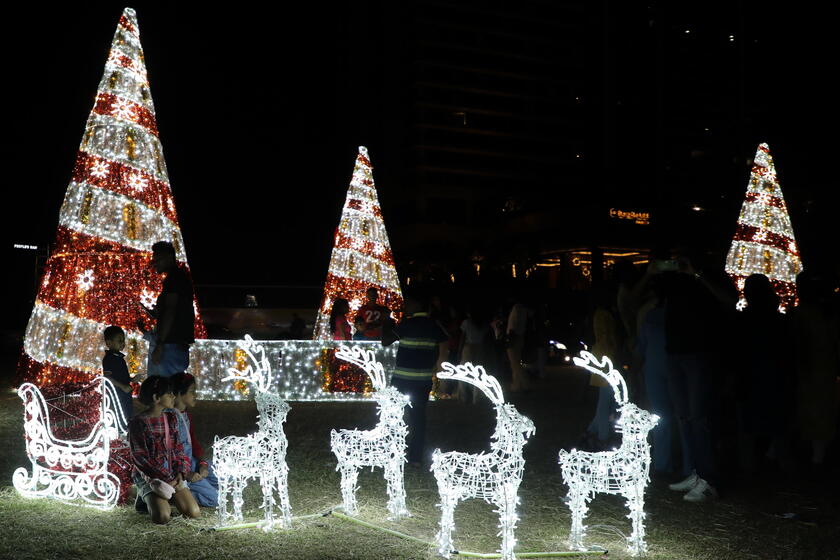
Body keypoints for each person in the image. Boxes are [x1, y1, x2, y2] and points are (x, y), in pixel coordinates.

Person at [733, 274, 793, 474]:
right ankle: (785, 465)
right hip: (775, 377)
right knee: (779, 424)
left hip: (748, 378)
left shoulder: (742, 321)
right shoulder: (780, 320)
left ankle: (747, 467)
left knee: (748, 427)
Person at [382, 293, 449, 466]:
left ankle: (394, 453)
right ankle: (415, 458)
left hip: (402, 379)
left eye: (409, 304)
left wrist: (387, 324)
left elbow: (385, 341)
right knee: (418, 418)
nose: (406, 307)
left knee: (395, 416)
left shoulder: (406, 324)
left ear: (417, 306)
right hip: (423, 380)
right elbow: (445, 342)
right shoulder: (434, 325)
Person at [129, 376, 200, 524]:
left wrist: (181, 471)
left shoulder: (171, 418)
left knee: (193, 512)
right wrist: (166, 478)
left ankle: (164, 497)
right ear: (156, 397)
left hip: (173, 474)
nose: (173, 396)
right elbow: (141, 458)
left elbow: (178, 448)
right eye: (169, 394)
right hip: (152, 477)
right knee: (162, 517)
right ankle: (144, 495)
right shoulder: (139, 423)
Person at [792, 269, 840, 473]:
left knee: (816, 411)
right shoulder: (825, 313)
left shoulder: (806, 314)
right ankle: (817, 455)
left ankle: (816, 457)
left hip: (814, 369)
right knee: (820, 410)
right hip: (821, 369)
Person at [142, 241, 196, 377]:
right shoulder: (179, 277)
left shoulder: (174, 279)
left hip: (170, 345)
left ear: (169, 258)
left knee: (165, 390)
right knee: (173, 389)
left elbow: (171, 311)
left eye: (157, 259)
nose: (155, 263)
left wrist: (160, 344)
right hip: (177, 343)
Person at [169, 372, 219, 507]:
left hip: (192, 462)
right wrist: (187, 473)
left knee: (224, 478)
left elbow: (193, 443)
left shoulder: (185, 415)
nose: (195, 395)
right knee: (214, 500)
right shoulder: (169, 418)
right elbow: (169, 453)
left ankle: (199, 487)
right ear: (179, 393)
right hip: (181, 470)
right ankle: (175, 497)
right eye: (192, 391)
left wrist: (202, 463)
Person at [102, 325, 134, 420]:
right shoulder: (109, 359)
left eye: (123, 340)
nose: (123, 343)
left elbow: (121, 376)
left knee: (127, 413)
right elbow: (108, 378)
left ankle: (127, 430)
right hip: (116, 393)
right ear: (109, 343)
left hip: (124, 393)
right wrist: (123, 386)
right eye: (119, 341)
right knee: (120, 414)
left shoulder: (119, 358)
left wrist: (132, 379)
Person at [506, 296, 534, 392]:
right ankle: (517, 385)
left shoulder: (516, 308)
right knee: (516, 362)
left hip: (514, 338)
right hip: (520, 337)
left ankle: (525, 384)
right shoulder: (524, 309)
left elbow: (513, 325)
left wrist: (510, 339)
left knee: (515, 363)